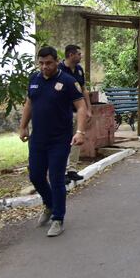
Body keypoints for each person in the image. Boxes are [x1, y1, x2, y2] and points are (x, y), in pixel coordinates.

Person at [19, 46, 87, 237]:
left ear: (57, 61)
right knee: (36, 176)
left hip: (59, 138)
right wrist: (23, 126)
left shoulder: (67, 81)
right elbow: (29, 103)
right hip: (38, 138)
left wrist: (80, 131)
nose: (44, 67)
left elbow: (81, 107)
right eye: (41, 63)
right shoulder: (34, 80)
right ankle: (49, 204)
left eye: (48, 63)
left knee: (56, 178)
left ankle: (58, 218)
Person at [58, 44, 92, 184]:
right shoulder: (59, 70)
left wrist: (88, 108)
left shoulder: (78, 70)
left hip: (78, 111)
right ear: (71, 55)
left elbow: (84, 90)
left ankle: (72, 169)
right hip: (63, 111)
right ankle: (62, 171)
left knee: (77, 140)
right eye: (78, 54)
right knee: (64, 141)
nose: (80, 56)